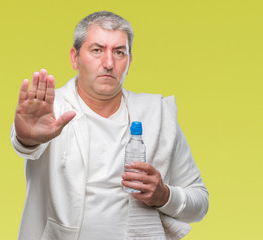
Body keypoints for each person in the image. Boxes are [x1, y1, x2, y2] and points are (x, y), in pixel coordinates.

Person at [11, 11, 208, 240]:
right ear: (75, 58)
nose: (108, 63)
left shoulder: (157, 115)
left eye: (119, 52)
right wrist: (27, 139)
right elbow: (26, 143)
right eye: (97, 50)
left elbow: (200, 202)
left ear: (130, 61)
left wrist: (164, 196)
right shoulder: (49, 110)